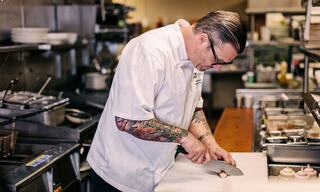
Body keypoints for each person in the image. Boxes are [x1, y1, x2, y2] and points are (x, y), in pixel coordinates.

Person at [87, 10, 247, 192]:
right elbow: (128, 121)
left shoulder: (196, 58)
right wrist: (185, 138)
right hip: (119, 176)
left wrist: (210, 144)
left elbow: (193, 108)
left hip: (161, 172)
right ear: (203, 39)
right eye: (217, 60)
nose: (217, 68)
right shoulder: (149, 51)